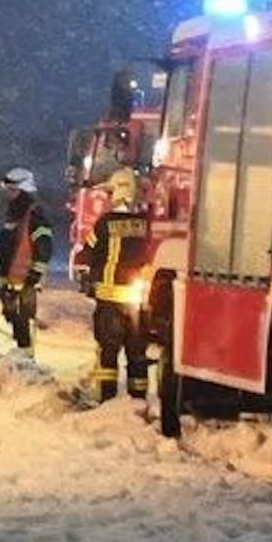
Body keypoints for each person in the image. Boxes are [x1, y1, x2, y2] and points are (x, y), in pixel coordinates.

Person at [75, 165, 151, 402]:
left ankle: (107, 400)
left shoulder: (105, 222)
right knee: (137, 355)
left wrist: (87, 272)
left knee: (109, 354)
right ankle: (137, 401)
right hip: (138, 303)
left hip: (109, 299)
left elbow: (87, 253)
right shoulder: (146, 223)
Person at [0, 166, 54, 356]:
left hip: (25, 281)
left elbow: (43, 249)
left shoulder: (34, 215)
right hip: (12, 279)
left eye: (13, 190)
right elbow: (6, 246)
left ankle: (26, 362)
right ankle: (23, 358)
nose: (9, 195)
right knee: (16, 321)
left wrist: (33, 277)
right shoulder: (15, 213)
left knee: (23, 324)